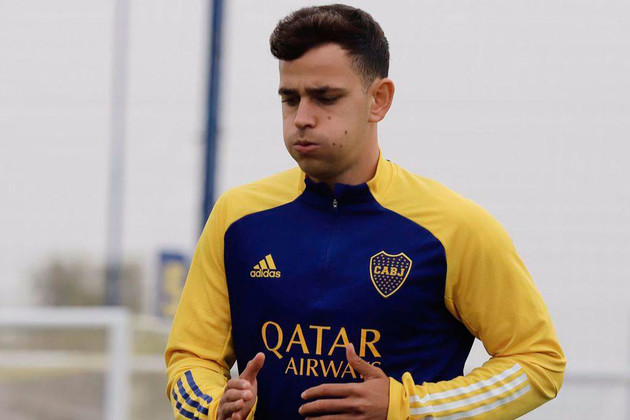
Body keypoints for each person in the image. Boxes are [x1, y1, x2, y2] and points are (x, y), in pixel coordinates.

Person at [165, 4, 566, 419]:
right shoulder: (237, 218)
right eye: (290, 99)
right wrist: (216, 406)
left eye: (325, 98)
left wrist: (406, 407)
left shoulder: (456, 229)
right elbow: (191, 358)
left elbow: (538, 362)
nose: (302, 118)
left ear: (379, 100)